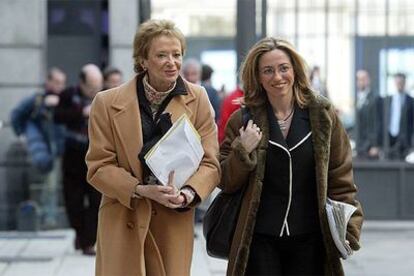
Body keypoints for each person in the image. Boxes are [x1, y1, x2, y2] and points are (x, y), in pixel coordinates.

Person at [85, 19, 220, 276]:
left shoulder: (199, 98)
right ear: (143, 60)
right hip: (123, 216)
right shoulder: (105, 102)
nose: (172, 62)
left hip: (172, 219)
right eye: (161, 55)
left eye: (177, 54)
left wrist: (188, 194)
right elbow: (98, 167)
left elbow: (211, 163)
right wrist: (139, 189)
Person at [219, 37, 363, 276]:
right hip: (258, 239)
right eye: (268, 70)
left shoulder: (323, 116)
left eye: (283, 68)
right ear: (258, 77)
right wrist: (242, 151)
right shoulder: (242, 120)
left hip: (311, 238)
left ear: (294, 71)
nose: (277, 77)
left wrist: (350, 227)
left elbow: (340, 175)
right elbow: (225, 180)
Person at [54, 64, 103, 255]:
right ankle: (80, 233)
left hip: (97, 156)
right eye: (91, 86)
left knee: (96, 200)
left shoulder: (104, 96)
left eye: (97, 85)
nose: (94, 90)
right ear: (82, 82)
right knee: (72, 201)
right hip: (73, 156)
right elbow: (57, 116)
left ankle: (88, 241)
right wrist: (81, 113)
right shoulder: (68, 95)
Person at [10, 67, 67, 228]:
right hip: (41, 149)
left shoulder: (65, 100)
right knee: (48, 185)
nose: (59, 86)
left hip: (60, 148)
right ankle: (46, 218)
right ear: (48, 82)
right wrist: (21, 134)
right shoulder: (37, 100)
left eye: (62, 83)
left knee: (53, 185)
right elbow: (16, 115)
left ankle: (47, 216)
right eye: (56, 82)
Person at [384, 73, 414, 159]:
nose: (399, 84)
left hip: (405, 141)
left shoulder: (411, 101)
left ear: (405, 83)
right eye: (398, 82)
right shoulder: (388, 100)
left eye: (401, 82)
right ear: (394, 83)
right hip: (389, 138)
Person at [355, 69, 382, 159]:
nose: (360, 82)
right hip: (359, 144)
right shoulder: (357, 98)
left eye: (363, 79)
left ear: (368, 80)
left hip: (369, 146)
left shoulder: (375, 98)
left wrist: (375, 145)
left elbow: (377, 123)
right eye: (358, 79)